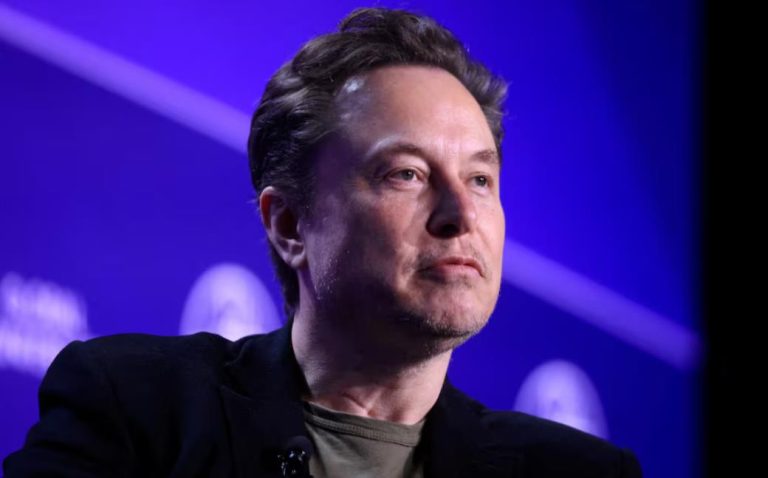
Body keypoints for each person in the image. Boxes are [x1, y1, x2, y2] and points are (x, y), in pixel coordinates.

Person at [4, 7, 642, 477]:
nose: (460, 214)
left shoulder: (578, 472)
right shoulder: (137, 408)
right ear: (289, 225)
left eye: (480, 179)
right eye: (406, 174)